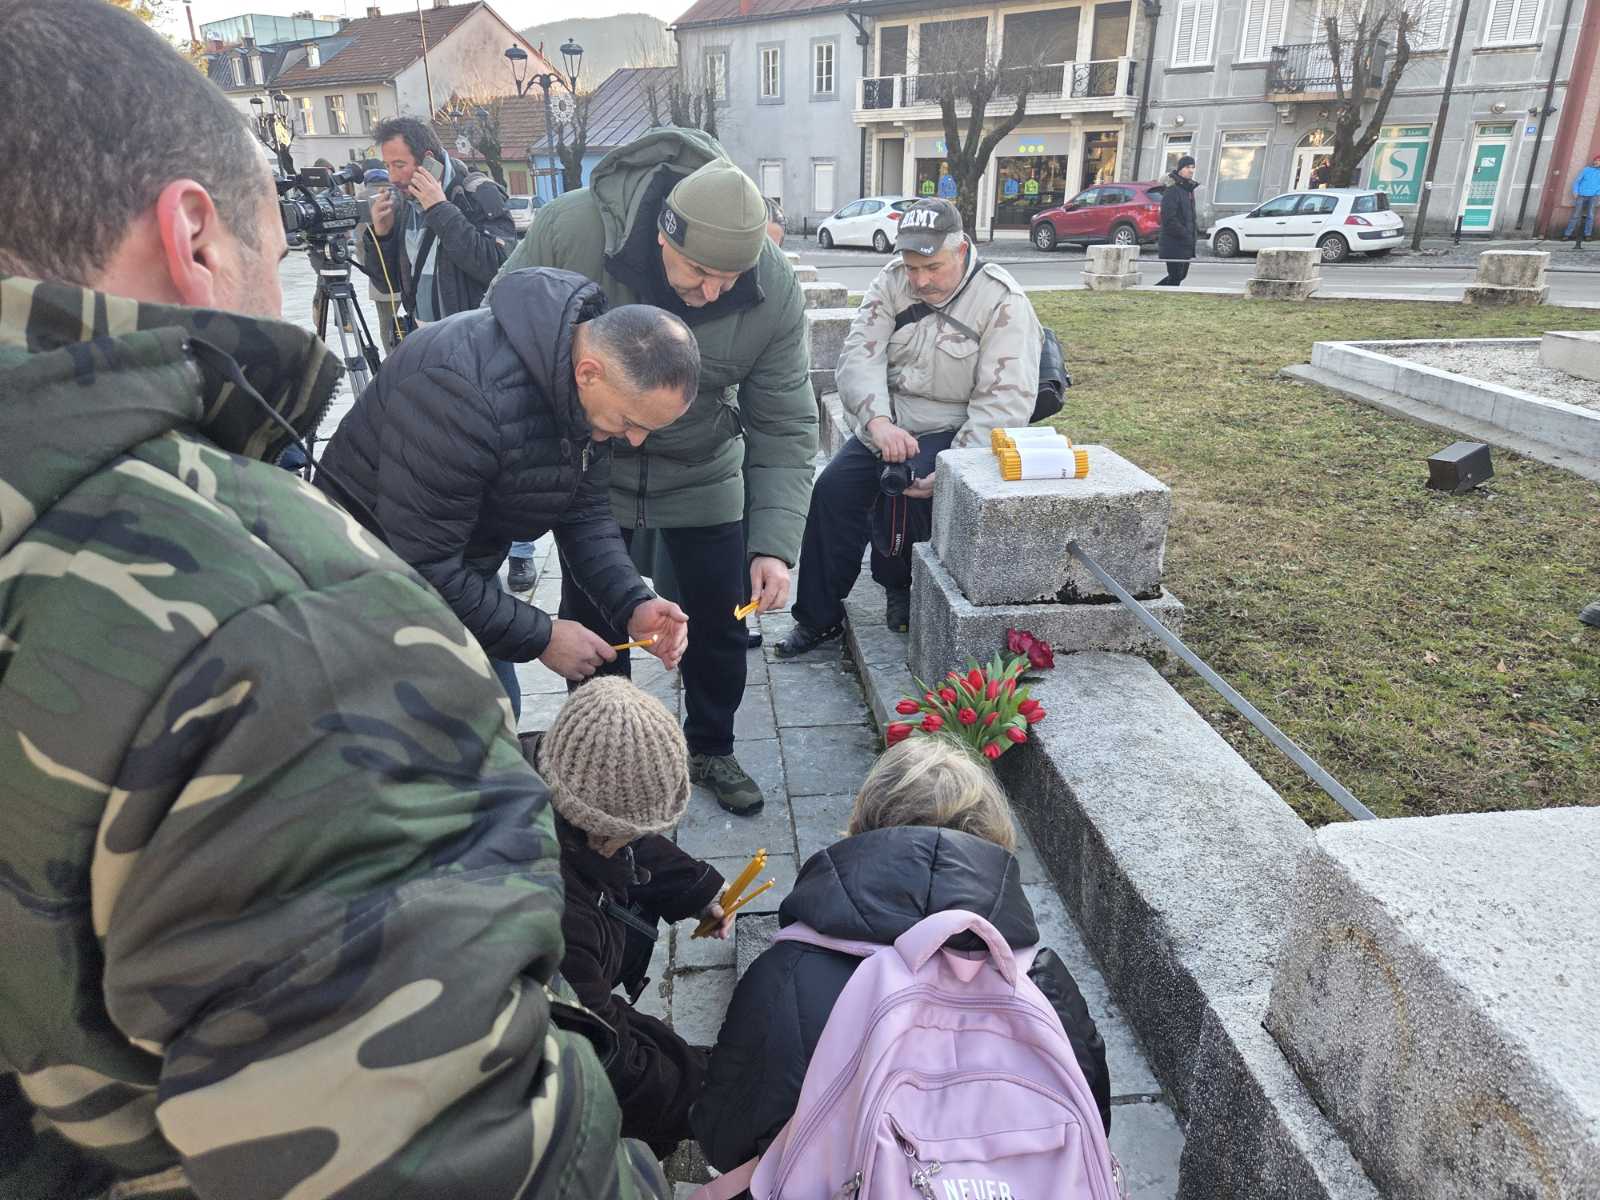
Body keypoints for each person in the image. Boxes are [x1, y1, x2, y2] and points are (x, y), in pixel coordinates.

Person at [0, 3, 667, 1197]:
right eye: (275, 235)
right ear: (195, 235)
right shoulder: (286, 634)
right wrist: (543, 634)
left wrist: (622, 598)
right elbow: (452, 1152)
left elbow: (584, 514)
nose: (286, 270)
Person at [493, 129, 817, 816]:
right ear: (664, 236)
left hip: (703, 468)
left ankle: (711, 746)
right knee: (595, 617)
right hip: (590, 470)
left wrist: (774, 544)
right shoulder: (574, 230)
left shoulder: (774, 289)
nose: (711, 293)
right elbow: (501, 329)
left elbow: (785, 422)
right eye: (698, 274)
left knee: (721, 620)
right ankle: (602, 755)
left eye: (730, 281)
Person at [690, 737, 1111, 1172]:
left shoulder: (785, 974)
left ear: (862, 826)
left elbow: (722, 1135)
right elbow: (1092, 1128)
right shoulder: (1041, 981)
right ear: (995, 838)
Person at [315, 276, 696, 718]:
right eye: (631, 421)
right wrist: (542, 636)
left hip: (456, 566)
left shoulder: (588, 390)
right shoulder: (456, 389)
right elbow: (422, 567)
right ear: (588, 372)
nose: (634, 440)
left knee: (496, 713)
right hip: (362, 584)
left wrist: (633, 602)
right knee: (450, 732)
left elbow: (585, 514)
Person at [778, 198, 1041, 653]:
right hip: (889, 416)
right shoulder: (893, 281)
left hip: (956, 425)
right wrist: (877, 421)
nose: (919, 280)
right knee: (833, 490)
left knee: (909, 484)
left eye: (932, 267)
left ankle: (902, 589)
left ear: (961, 252)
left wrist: (959, 461)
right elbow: (859, 355)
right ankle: (818, 617)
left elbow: (1005, 399)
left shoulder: (1002, 301)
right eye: (911, 266)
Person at [527, 678, 734, 1159]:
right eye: (628, 834)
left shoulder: (554, 766)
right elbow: (609, 1053)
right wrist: (704, 1094)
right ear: (597, 830)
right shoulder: (553, 917)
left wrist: (700, 890)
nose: (638, 842)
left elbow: (631, 834)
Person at [370, 115, 515, 325]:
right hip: (423, 340)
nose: (392, 177)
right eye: (388, 166)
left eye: (399, 165)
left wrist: (440, 209)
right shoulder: (404, 203)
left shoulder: (477, 194)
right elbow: (388, 286)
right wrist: (383, 236)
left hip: (471, 339)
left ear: (428, 160)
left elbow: (499, 268)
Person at [355, 165, 405, 351]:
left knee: (387, 324)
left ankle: (392, 358)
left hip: (380, 269)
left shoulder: (362, 197)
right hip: (406, 271)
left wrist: (368, 268)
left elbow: (360, 239)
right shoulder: (398, 194)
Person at [1157, 155, 1199, 287]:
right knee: (1176, 276)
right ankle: (1153, 293)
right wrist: (1185, 233)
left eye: (1193, 167)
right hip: (1174, 242)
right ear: (1180, 169)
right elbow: (1169, 219)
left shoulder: (1188, 190)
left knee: (1180, 276)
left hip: (1185, 242)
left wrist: (1193, 233)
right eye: (1187, 167)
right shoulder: (1173, 189)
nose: (1191, 170)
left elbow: (1190, 216)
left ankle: (1153, 292)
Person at [1563, 152, 1600, 246]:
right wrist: (1575, 191)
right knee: (1575, 215)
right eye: (1596, 160)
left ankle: (1587, 234)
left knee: (1590, 215)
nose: (1597, 162)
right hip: (1581, 195)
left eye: (1599, 161)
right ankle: (1567, 234)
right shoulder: (1586, 170)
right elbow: (1577, 181)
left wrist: (1597, 194)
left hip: (1593, 196)